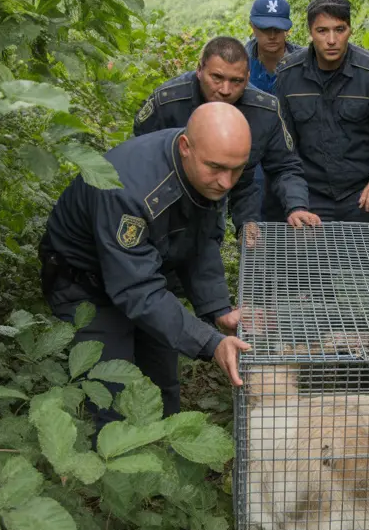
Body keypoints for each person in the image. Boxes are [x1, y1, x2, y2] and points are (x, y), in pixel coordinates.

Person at [38, 102, 254, 431]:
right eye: (217, 168)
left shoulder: (211, 167)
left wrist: (218, 308)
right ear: (186, 148)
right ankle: (116, 473)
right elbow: (137, 290)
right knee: (115, 396)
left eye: (236, 170)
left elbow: (201, 241)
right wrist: (211, 343)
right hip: (87, 285)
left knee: (161, 384)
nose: (226, 182)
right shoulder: (128, 190)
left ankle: (164, 466)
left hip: (147, 273)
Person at [133, 36, 321, 242]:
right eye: (217, 78)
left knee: (207, 257)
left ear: (248, 77)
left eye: (236, 81)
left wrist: (296, 206)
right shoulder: (167, 103)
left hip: (224, 202)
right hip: (167, 202)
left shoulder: (264, 111)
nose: (225, 90)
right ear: (199, 70)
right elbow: (142, 160)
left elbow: (284, 167)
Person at [273, 0, 369, 223]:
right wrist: (296, 203)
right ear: (310, 33)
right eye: (322, 31)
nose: (331, 40)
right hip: (309, 197)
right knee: (310, 260)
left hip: (363, 197)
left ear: (350, 30)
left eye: (339, 29)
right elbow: (284, 151)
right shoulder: (288, 75)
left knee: (368, 260)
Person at [243, 0, 301, 219]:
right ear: (252, 26)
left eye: (278, 29)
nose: (272, 35)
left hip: (293, 152)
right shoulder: (239, 63)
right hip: (251, 151)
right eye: (264, 28)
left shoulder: (303, 63)